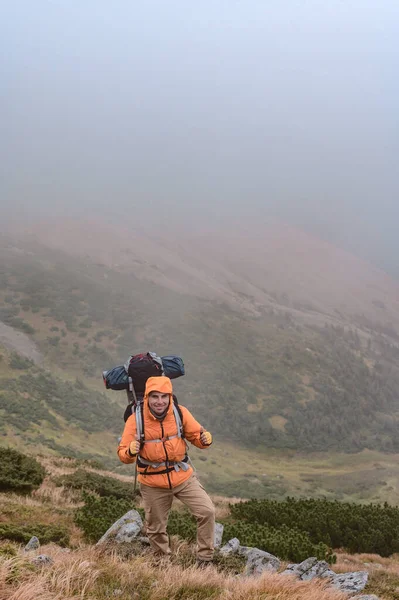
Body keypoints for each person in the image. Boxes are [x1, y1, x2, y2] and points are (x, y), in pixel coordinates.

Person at [117, 375, 215, 565]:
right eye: (155, 397)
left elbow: (196, 436)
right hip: (152, 483)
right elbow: (123, 455)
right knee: (155, 527)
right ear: (147, 397)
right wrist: (130, 451)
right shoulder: (135, 419)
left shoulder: (180, 412)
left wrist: (204, 440)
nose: (160, 401)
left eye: (164, 396)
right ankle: (162, 562)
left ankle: (204, 559)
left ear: (170, 396)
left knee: (207, 511)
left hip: (182, 476)